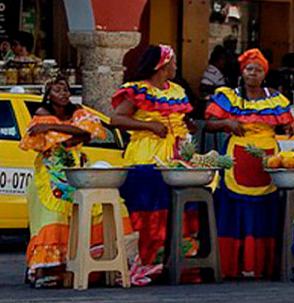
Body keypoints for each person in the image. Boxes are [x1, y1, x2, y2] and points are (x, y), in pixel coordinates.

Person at [207, 49, 294, 279]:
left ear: (264, 74)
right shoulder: (229, 96)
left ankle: (260, 265)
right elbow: (209, 124)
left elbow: (286, 124)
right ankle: (234, 265)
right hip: (237, 156)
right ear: (242, 72)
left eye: (257, 70)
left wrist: (288, 128)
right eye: (249, 69)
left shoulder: (275, 97)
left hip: (268, 158)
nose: (253, 74)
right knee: (235, 208)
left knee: (263, 208)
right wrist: (228, 122)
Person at [109, 43, 190, 275]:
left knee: (173, 211)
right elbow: (116, 119)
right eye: (173, 62)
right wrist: (149, 126)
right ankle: (144, 263)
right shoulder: (138, 90)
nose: (176, 66)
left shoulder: (176, 90)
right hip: (146, 159)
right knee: (148, 212)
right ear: (162, 66)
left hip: (175, 157)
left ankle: (171, 262)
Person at [22, 75, 106, 288]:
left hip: (76, 170)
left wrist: (59, 131)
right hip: (50, 175)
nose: (63, 94)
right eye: (57, 90)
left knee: (84, 215)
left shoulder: (77, 111)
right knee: (53, 217)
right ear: (48, 95)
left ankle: (80, 268)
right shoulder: (42, 112)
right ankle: (43, 270)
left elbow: (90, 131)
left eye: (66, 90)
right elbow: (75, 134)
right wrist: (73, 133)